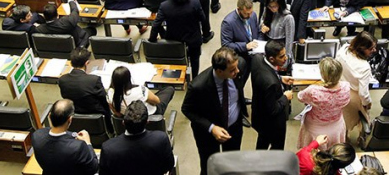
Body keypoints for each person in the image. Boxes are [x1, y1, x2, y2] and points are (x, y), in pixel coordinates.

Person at [181, 47, 247, 175]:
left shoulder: (239, 66)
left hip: (234, 128)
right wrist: (212, 128)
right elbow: (187, 109)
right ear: (219, 71)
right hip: (207, 134)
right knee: (209, 166)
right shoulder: (198, 86)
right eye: (232, 70)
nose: (237, 71)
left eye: (236, 68)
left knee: (232, 163)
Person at [150, 0, 212, 76]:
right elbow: (203, 19)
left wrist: (153, 39)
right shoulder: (195, 2)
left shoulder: (164, 6)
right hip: (193, 39)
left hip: (173, 40)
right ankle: (195, 76)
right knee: (195, 60)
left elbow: (156, 25)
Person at [98, 100, 174, 175]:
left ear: (123, 123)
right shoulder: (161, 139)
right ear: (147, 122)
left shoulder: (108, 148)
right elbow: (169, 166)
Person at [31, 99, 98, 175]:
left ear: (49, 116)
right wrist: (88, 143)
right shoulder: (78, 147)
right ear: (70, 120)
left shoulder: (37, 136)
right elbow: (93, 167)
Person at [296, 57, 350, 149]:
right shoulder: (346, 87)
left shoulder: (313, 91)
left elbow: (300, 97)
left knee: (314, 157)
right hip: (336, 126)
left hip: (316, 128)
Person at [251, 40, 294, 150]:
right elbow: (273, 109)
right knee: (277, 148)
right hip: (272, 123)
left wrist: (280, 78)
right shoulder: (270, 83)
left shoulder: (257, 59)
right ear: (271, 59)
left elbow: (268, 73)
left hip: (259, 116)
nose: (286, 58)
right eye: (282, 56)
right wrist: (285, 97)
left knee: (262, 143)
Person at [336, 31, 376, 137]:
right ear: (362, 48)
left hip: (339, 89)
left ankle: (343, 139)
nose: (374, 51)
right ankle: (361, 138)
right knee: (365, 119)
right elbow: (363, 94)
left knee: (342, 121)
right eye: (371, 49)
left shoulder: (342, 50)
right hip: (353, 96)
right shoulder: (364, 67)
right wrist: (368, 103)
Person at [59, 48, 112, 123]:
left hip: (75, 117)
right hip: (97, 116)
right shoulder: (94, 80)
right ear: (87, 63)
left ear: (71, 63)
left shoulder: (62, 80)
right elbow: (104, 100)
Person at [108, 66, 174, 117]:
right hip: (150, 115)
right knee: (169, 89)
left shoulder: (110, 93)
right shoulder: (140, 91)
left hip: (128, 119)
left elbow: (117, 113)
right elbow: (157, 101)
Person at [260, 0, 296, 65]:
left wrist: (286, 60)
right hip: (268, 47)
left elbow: (289, 41)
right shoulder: (268, 10)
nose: (272, 8)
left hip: (280, 50)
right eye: (270, 6)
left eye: (274, 6)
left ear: (280, 5)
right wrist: (263, 26)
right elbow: (262, 20)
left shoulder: (288, 17)